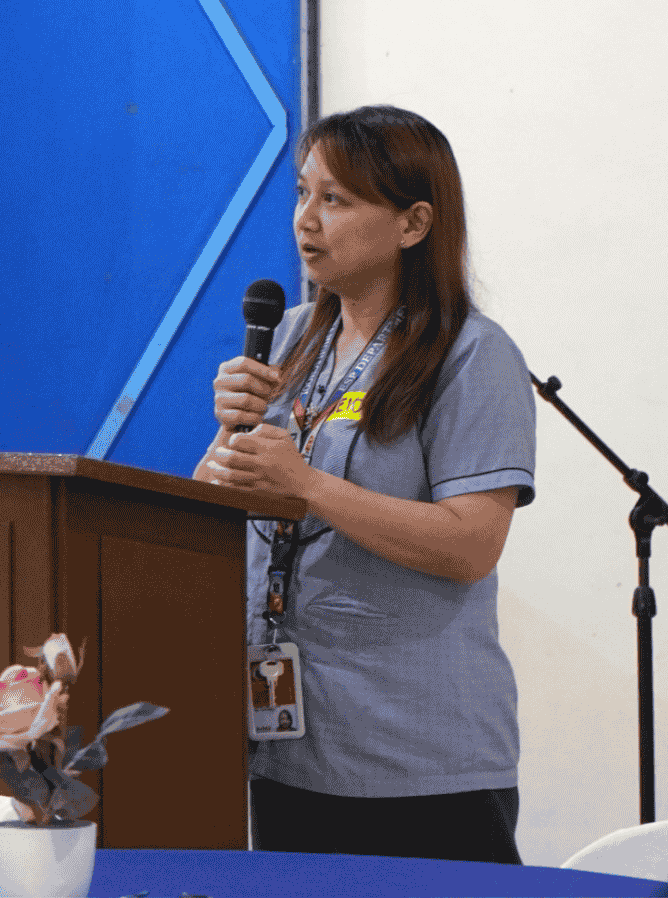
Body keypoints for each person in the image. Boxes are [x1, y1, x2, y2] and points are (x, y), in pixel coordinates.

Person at [197, 104, 536, 863]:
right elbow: (220, 506)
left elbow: (472, 545)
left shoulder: (471, 355)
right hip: (288, 742)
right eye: (302, 194)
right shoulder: (289, 337)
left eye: (336, 200)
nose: (305, 221)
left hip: (417, 762)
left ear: (413, 224)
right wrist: (227, 438)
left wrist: (308, 484)